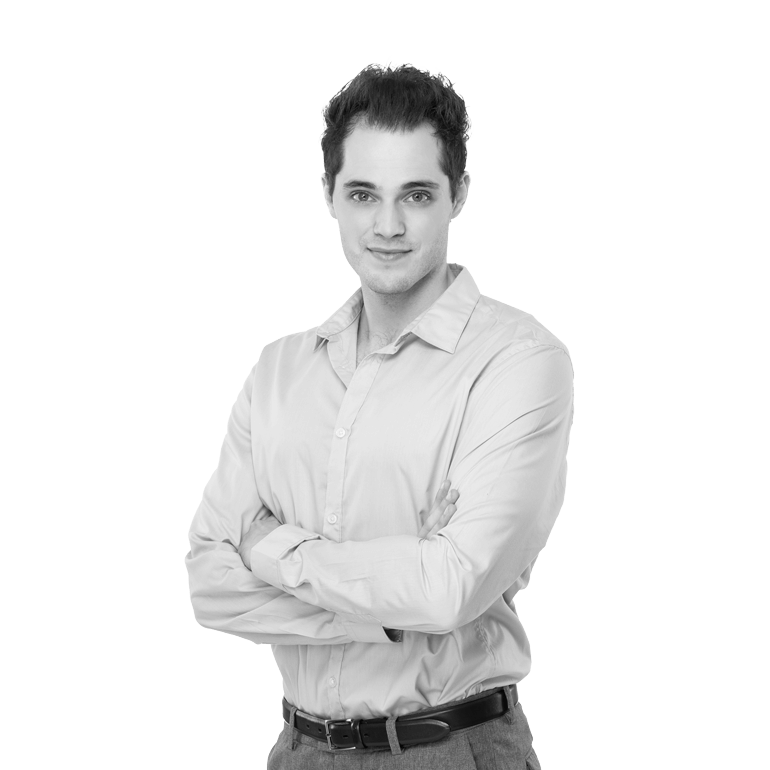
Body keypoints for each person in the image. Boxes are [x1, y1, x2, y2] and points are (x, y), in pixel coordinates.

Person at [185, 60, 574, 769]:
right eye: (364, 194)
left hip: (449, 749)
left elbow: (450, 587)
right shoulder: (279, 370)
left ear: (459, 195)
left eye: (416, 195)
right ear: (329, 194)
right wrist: (392, 601)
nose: (388, 226)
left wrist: (272, 550)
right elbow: (209, 584)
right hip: (296, 750)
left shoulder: (519, 361)